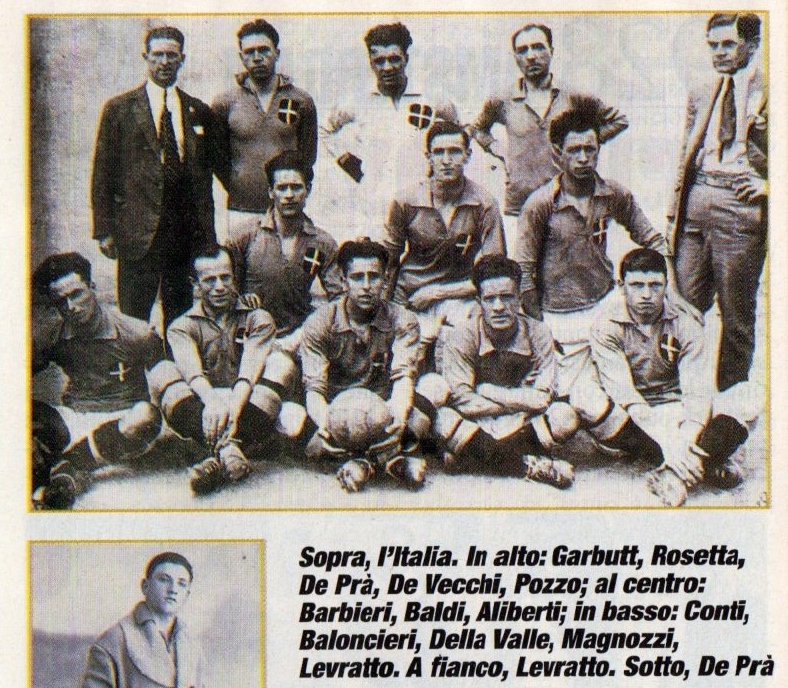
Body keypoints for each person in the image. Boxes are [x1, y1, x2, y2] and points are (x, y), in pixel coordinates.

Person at [515, 100, 669, 454]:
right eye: (574, 150)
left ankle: (657, 443)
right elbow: (523, 271)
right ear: (558, 154)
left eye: (590, 149)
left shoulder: (613, 193)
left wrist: (669, 287)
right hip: (558, 319)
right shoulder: (540, 204)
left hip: (604, 309)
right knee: (574, 399)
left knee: (630, 385)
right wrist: (538, 329)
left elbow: (652, 238)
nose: (583, 157)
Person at [591, 249, 751, 507]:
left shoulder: (685, 323)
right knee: (586, 399)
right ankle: (709, 460)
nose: (646, 294)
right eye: (637, 285)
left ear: (667, 286)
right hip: (635, 418)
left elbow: (697, 396)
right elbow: (627, 397)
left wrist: (682, 443)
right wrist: (670, 443)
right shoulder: (605, 323)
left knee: (750, 394)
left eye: (655, 285)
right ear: (622, 286)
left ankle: (675, 474)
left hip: (678, 411)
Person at [91, 26, 220, 328]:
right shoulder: (120, 109)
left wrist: (208, 236)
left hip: (183, 233)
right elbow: (102, 173)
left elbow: (204, 181)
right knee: (133, 318)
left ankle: (176, 373)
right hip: (137, 232)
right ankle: (135, 375)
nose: (164, 62)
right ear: (146, 58)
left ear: (182, 59)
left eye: (171, 56)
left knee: (181, 316)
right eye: (158, 55)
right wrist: (104, 230)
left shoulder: (197, 110)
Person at [148, 245, 301, 495]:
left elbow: (249, 374)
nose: (219, 286)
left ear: (234, 277)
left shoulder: (257, 318)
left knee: (283, 364)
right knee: (162, 372)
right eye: (209, 280)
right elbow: (192, 374)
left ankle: (216, 455)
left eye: (225, 277)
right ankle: (230, 452)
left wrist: (230, 408)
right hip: (203, 408)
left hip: (246, 404)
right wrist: (212, 402)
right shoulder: (181, 326)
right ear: (195, 284)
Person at [669, 12, 766, 393]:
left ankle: (730, 409)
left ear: (751, 45)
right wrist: (671, 211)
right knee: (681, 305)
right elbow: (685, 153)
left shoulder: (773, 87)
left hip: (740, 207)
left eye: (728, 44)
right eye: (713, 45)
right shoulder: (701, 87)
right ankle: (678, 398)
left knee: (736, 316)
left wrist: (772, 185)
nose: (718, 53)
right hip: (696, 201)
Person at [470, 23, 628, 245]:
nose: (531, 56)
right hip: (522, 202)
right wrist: (500, 151)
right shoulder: (502, 99)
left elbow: (618, 120)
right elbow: (477, 129)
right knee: (526, 269)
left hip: (567, 200)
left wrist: (583, 144)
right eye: (523, 50)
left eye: (538, 47)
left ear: (551, 51)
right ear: (515, 57)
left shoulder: (574, 96)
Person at [32, 253, 163, 509]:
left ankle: (67, 466)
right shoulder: (56, 336)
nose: (71, 307)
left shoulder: (136, 332)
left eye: (77, 294)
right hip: (76, 418)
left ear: (92, 288)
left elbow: (165, 381)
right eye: (61, 301)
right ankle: (60, 472)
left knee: (146, 415)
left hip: (122, 424)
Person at [438, 255, 578, 488]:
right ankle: (527, 465)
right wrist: (520, 398)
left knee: (565, 417)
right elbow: (463, 401)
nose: (499, 307)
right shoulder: (462, 335)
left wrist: (487, 390)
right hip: (479, 422)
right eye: (490, 299)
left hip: (520, 423)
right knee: (442, 418)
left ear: (519, 298)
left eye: (507, 297)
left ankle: (475, 458)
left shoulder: (539, 332)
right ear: (478, 301)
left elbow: (543, 399)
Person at [299, 239, 427, 492]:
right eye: (358, 278)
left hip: (382, 408)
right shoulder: (319, 323)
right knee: (298, 430)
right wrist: (330, 425)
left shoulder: (404, 320)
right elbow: (314, 389)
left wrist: (397, 418)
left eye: (374, 277)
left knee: (423, 413)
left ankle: (361, 465)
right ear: (344, 281)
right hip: (338, 411)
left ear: (386, 280)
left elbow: (403, 378)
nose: (366, 286)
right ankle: (391, 460)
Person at [384, 120, 505, 369]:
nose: (446, 160)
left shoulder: (484, 204)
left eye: (454, 151)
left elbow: (495, 272)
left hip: (459, 295)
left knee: (461, 351)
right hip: (412, 295)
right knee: (405, 364)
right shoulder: (406, 201)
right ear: (428, 157)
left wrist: (438, 292)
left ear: (467, 155)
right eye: (439, 152)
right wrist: (388, 308)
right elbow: (388, 262)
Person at [319, 22, 459, 239]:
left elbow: (460, 131)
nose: (387, 67)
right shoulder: (358, 100)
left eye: (394, 59)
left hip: (423, 203)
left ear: (406, 58)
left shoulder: (431, 98)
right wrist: (345, 159)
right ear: (370, 62)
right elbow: (323, 130)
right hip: (375, 206)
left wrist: (440, 166)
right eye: (379, 61)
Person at [226, 151, 343, 349]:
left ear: (308, 190)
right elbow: (222, 287)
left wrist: (315, 326)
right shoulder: (245, 236)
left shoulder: (323, 243)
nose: (289, 195)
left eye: (296, 187)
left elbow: (339, 298)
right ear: (271, 192)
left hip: (297, 339)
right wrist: (239, 300)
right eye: (282, 188)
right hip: (248, 337)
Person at [212, 19, 318, 231]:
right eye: (249, 52)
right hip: (241, 210)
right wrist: (240, 186)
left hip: (287, 211)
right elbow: (217, 159)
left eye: (264, 50)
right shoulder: (225, 103)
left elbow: (308, 155)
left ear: (276, 53)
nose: (257, 57)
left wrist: (289, 193)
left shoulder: (300, 100)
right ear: (241, 57)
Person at [81, 552, 203, 688]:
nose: (173, 589)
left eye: (181, 584)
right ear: (145, 586)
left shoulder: (192, 645)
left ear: (187, 595)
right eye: (164, 579)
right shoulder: (114, 640)